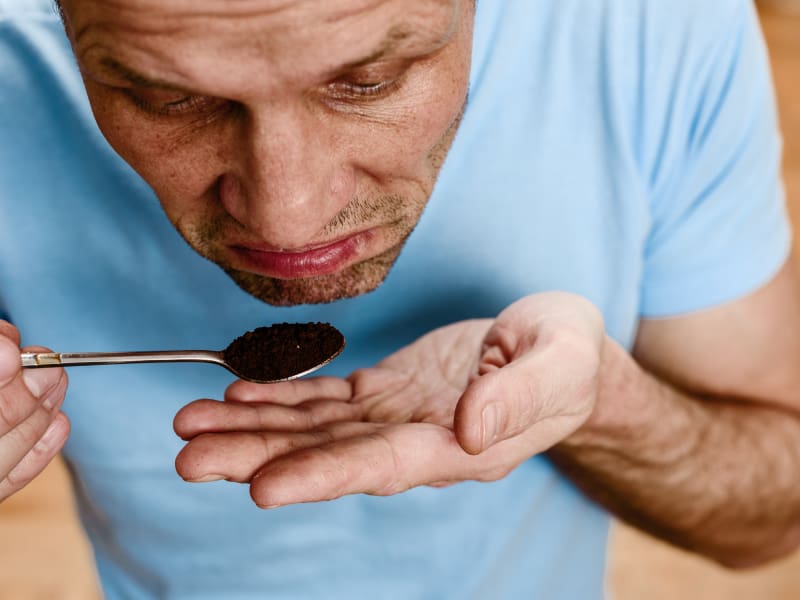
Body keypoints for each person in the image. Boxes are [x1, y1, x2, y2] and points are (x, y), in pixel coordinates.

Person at [2, 0, 799, 597]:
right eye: (169, 99)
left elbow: (772, 513)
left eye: (367, 81)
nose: (289, 217)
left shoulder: (651, 31)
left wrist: (601, 404)